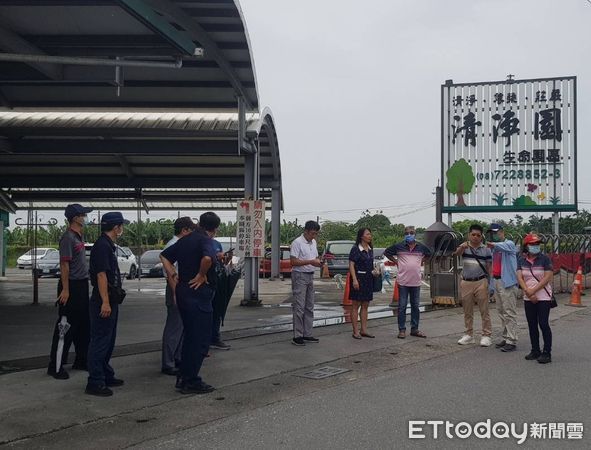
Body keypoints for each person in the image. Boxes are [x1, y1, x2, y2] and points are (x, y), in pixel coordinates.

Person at [160, 212, 220, 394]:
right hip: (198, 296)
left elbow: (164, 256)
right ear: (215, 229)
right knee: (199, 340)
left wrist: (174, 276)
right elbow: (208, 258)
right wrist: (202, 275)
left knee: (188, 338)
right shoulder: (205, 241)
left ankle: (183, 377)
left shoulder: (185, 240)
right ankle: (191, 380)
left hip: (183, 292)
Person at [47, 203, 93, 380]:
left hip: (81, 285)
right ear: (75, 218)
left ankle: (81, 360)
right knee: (65, 326)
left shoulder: (78, 236)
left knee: (83, 325)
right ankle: (56, 365)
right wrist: (65, 290)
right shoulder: (67, 238)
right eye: (83, 215)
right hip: (71, 286)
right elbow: (64, 265)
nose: (85, 217)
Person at [86, 212, 129, 397]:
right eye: (121, 225)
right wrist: (105, 302)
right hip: (103, 300)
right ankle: (95, 382)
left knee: (108, 340)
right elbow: (101, 275)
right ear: (116, 227)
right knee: (100, 341)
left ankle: (105, 374)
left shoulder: (107, 245)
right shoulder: (103, 246)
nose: (122, 229)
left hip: (110, 299)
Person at [161, 217, 196, 376]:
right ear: (184, 230)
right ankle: (168, 363)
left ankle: (177, 357)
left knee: (181, 326)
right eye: (191, 230)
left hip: (181, 287)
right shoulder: (173, 245)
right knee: (174, 327)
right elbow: (170, 274)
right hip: (175, 287)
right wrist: (176, 294)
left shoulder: (179, 244)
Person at [384, 225, 431, 339]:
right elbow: (387, 252)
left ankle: (414, 329)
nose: (409, 235)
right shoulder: (399, 246)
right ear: (404, 235)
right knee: (402, 306)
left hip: (416, 282)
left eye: (411, 232)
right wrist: (396, 261)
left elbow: (429, 254)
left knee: (415, 306)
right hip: (403, 282)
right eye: (407, 233)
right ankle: (402, 330)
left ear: (415, 234)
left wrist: (422, 261)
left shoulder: (421, 247)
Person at [453, 224, 493, 347]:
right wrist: (461, 247)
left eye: (478, 235)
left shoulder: (486, 249)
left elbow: (489, 267)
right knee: (467, 310)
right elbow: (456, 254)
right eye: (473, 234)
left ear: (481, 237)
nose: (475, 237)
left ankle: (486, 335)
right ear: (469, 235)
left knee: (484, 310)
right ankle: (469, 334)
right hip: (466, 281)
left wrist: (490, 283)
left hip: (481, 281)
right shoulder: (464, 247)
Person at [517, 233, 554, 364]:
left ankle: (546, 352)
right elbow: (520, 277)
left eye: (537, 244)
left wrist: (533, 290)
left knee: (543, 324)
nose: (536, 246)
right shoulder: (521, 260)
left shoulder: (545, 259)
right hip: (528, 297)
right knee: (532, 325)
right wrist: (528, 292)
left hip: (543, 297)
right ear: (526, 246)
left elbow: (547, 277)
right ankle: (535, 350)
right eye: (533, 244)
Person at [486, 223, 519, 352]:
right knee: (501, 311)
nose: (494, 235)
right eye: (492, 233)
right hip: (497, 281)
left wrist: (492, 244)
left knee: (509, 312)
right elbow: (493, 268)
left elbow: (504, 247)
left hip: (508, 283)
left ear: (501, 232)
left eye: (496, 232)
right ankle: (506, 337)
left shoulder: (509, 244)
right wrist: (491, 286)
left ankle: (512, 339)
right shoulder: (494, 250)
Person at [289, 220, 322, 346]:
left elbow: (315, 258)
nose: (314, 236)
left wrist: (318, 262)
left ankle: (307, 334)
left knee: (309, 306)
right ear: (306, 231)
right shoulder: (297, 242)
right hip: (299, 275)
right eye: (312, 233)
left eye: (316, 234)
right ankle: (298, 335)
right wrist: (310, 262)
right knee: (299, 306)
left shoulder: (313, 242)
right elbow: (293, 261)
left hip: (310, 275)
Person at [349, 228, 378, 339]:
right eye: (368, 234)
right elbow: (351, 264)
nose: (370, 236)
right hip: (358, 278)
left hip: (368, 279)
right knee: (355, 305)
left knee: (365, 305)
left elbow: (371, 264)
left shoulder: (370, 249)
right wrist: (354, 280)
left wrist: (375, 271)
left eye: (370, 234)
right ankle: (355, 331)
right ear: (362, 236)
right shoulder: (356, 249)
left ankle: (364, 330)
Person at [210, 239, 232, 351]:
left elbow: (222, 263)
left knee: (217, 311)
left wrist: (227, 258)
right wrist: (215, 257)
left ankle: (214, 338)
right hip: (207, 283)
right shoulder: (201, 243)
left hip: (218, 282)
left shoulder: (216, 243)